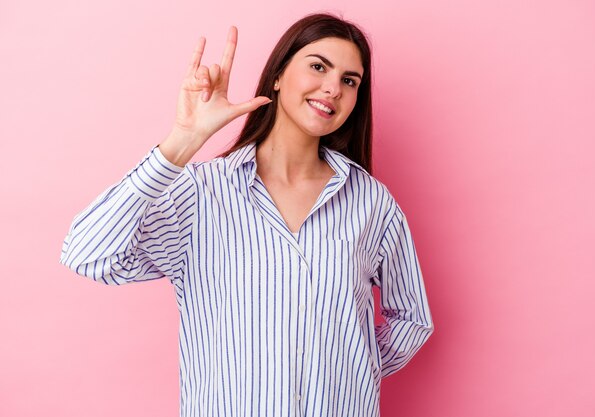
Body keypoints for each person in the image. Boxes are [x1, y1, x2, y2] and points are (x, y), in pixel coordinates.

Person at [60, 12, 434, 417]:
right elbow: (86, 255)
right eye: (317, 66)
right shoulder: (203, 193)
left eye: (349, 80)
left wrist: (348, 370)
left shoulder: (370, 203)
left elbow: (412, 319)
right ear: (277, 74)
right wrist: (182, 142)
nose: (332, 88)